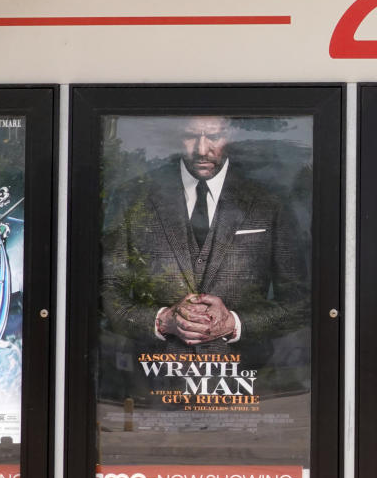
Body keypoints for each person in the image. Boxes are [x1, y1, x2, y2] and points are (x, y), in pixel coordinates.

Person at [101, 116, 307, 361]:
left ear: (231, 136)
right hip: (153, 376)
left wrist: (235, 324)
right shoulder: (132, 197)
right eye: (190, 136)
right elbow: (107, 290)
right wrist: (162, 321)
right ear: (177, 136)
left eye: (214, 136)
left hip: (248, 379)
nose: (201, 149)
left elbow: (299, 301)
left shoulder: (269, 202)